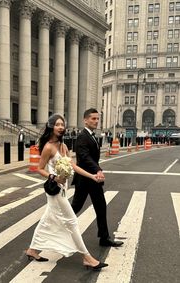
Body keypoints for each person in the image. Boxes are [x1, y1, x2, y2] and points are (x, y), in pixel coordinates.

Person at [25, 113, 108, 271]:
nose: (61, 127)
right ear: (51, 126)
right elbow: (39, 169)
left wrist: (92, 176)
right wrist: (53, 177)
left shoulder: (63, 146)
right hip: (55, 190)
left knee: (47, 219)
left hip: (63, 188)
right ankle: (87, 257)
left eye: (62, 124)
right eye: (57, 124)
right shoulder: (48, 147)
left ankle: (32, 250)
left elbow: (73, 167)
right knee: (72, 221)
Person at [71, 108, 124, 247]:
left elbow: (90, 157)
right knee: (75, 208)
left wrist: (97, 171)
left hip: (94, 179)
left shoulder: (92, 135)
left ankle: (104, 238)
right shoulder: (82, 136)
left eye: (97, 119)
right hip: (84, 179)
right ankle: (56, 229)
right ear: (85, 120)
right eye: (93, 118)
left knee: (101, 206)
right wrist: (98, 169)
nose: (96, 121)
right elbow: (84, 157)